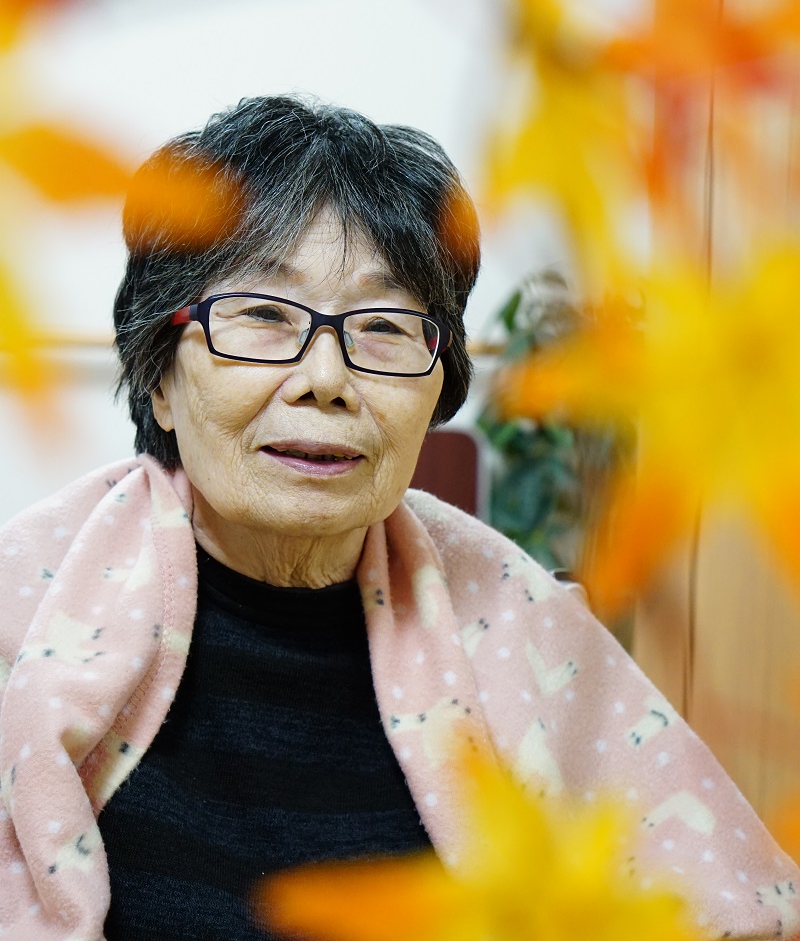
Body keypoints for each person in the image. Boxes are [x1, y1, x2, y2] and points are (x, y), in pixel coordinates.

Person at [0, 95, 797, 941]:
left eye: (383, 327)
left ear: (438, 386)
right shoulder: (29, 607)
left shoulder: (518, 621)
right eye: (264, 315)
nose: (325, 380)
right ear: (160, 380)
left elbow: (739, 909)